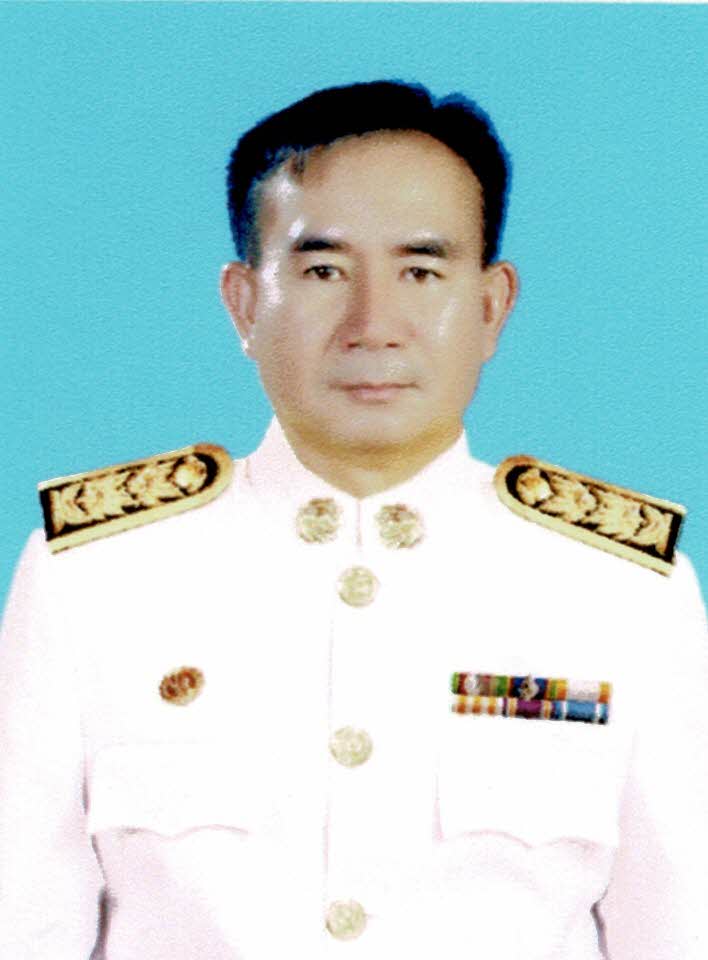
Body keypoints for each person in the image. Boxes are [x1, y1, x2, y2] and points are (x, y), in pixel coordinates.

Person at [0, 80, 706, 960]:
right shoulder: (91, 580)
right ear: (244, 303)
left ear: (491, 306)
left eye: (421, 271)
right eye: (323, 271)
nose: (374, 326)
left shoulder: (624, 593)